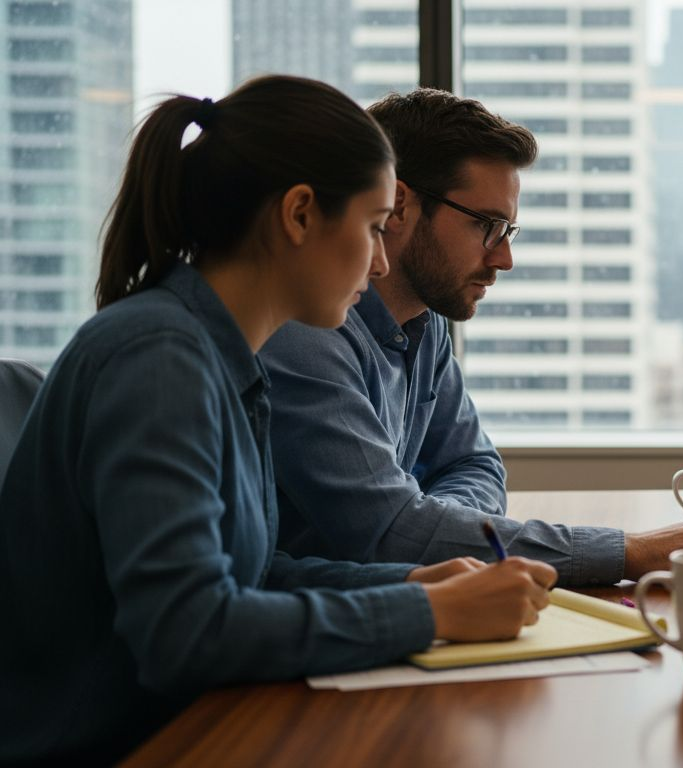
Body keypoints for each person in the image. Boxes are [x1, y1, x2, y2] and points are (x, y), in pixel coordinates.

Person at [0, 76, 556, 765]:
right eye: (374, 227)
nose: (383, 260)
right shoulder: (160, 361)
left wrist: (414, 584)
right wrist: (432, 613)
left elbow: (255, 573)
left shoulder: (220, 355)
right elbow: (186, 633)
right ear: (298, 216)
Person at [259, 88, 683, 584]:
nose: (504, 258)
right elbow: (391, 530)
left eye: (508, 232)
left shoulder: (424, 324)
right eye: (488, 226)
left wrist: (440, 531)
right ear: (399, 206)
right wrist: (628, 551)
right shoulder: (306, 334)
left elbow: (474, 464)